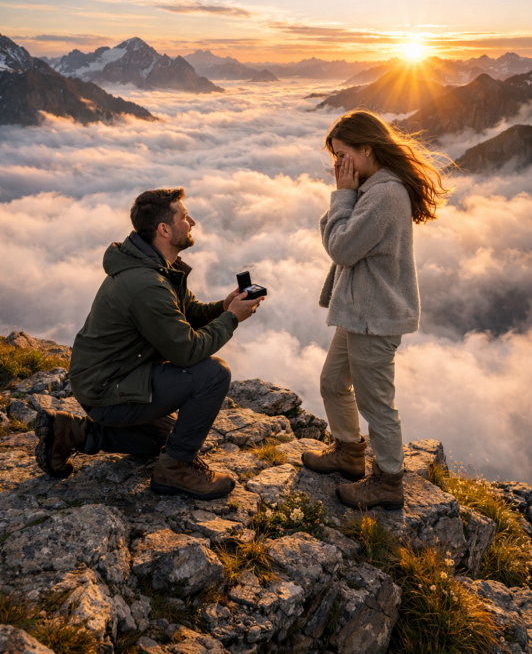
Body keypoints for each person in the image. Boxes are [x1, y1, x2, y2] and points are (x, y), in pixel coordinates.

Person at [34, 188, 264, 500]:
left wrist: (223, 308)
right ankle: (176, 470)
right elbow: (187, 351)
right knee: (213, 374)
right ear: (164, 229)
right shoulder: (147, 284)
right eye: (184, 217)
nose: (192, 221)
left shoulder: (158, 267)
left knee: (163, 441)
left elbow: (187, 314)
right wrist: (232, 319)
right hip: (107, 388)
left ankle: (71, 432)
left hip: (113, 378)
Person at [302, 110, 450, 510]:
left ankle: (388, 481)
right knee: (333, 381)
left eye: (343, 155)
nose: (338, 165)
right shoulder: (373, 188)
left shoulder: (384, 195)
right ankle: (349, 453)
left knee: (377, 404)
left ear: (367, 149)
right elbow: (338, 234)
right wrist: (345, 199)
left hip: (374, 317)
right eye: (335, 157)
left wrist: (342, 196)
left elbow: (341, 247)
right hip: (357, 312)